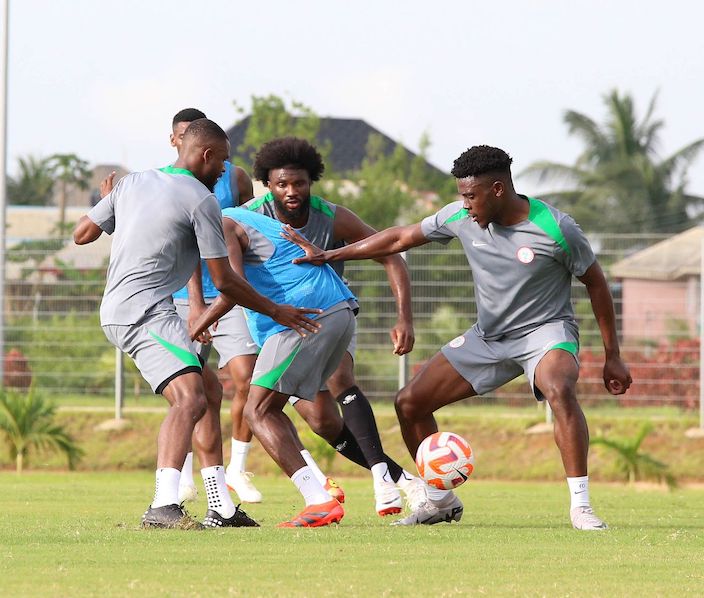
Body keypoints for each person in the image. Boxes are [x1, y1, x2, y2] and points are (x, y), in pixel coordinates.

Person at [283, 144, 633, 530]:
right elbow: (399, 238)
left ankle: (580, 506)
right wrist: (330, 255)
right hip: (488, 337)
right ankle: (440, 502)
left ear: (497, 189)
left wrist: (612, 355)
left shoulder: (556, 228)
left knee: (558, 388)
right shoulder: (460, 217)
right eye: (461, 196)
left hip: (545, 333)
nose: (464, 204)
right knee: (410, 403)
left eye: (470, 195)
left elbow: (596, 283)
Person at [74, 118, 320, 529]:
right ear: (206, 156)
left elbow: (82, 234)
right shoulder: (201, 200)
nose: (225, 170)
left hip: (132, 306)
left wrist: (112, 203)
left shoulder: (132, 183)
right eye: (222, 161)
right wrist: (277, 310)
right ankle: (163, 504)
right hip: (143, 310)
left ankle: (220, 506)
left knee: (205, 389)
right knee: (189, 399)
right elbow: (224, 280)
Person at [241, 137, 427, 516]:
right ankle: (404, 480)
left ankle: (381, 481)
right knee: (322, 421)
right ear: (268, 184)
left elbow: (391, 256)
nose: (291, 192)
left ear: (312, 182)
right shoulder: (249, 216)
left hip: (328, 315)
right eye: (282, 184)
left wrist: (404, 317)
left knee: (342, 378)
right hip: (278, 328)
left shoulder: (332, 217)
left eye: (300, 183)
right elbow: (224, 272)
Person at [189, 207, 359, 527]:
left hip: (303, 315)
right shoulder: (242, 216)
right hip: (340, 310)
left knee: (257, 411)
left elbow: (230, 285)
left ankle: (319, 500)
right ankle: (370, 481)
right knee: (274, 408)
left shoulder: (223, 224)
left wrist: (199, 323)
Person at [168, 108, 263, 505]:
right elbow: (185, 244)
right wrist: (194, 304)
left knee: (249, 377)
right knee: (191, 390)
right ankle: (185, 477)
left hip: (231, 294)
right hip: (181, 297)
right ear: (176, 141)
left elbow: (253, 227)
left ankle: (237, 470)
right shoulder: (166, 182)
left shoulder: (233, 177)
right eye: (181, 134)